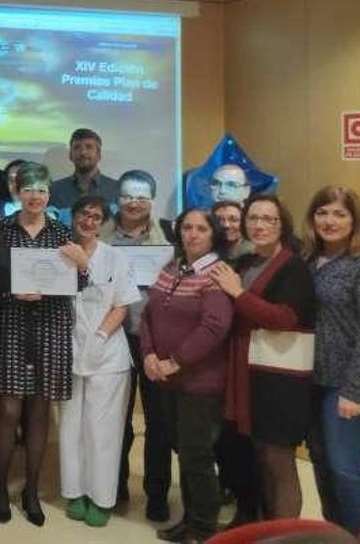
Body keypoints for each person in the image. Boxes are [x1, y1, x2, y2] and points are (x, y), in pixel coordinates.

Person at [207, 194, 315, 522]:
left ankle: (288, 536)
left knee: (278, 460)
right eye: (253, 218)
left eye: (269, 219)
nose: (260, 225)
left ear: (283, 224)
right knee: (260, 457)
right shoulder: (245, 262)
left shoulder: (293, 266)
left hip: (280, 377)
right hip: (249, 375)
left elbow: (284, 318)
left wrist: (237, 292)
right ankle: (267, 529)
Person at [0, 161, 78, 526]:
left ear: (48, 194)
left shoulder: (61, 232)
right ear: (17, 192)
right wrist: (13, 289)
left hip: (51, 325)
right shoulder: (1, 230)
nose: (35, 196)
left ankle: (31, 492)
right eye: (28, 189)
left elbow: (79, 283)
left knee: (40, 411)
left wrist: (80, 269)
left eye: (41, 189)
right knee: (10, 411)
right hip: (11, 323)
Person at [140, 208, 234, 544]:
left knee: (197, 457)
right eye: (187, 228)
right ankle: (189, 522)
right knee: (185, 452)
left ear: (213, 235)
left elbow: (214, 327)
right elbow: (149, 314)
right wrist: (149, 354)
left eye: (201, 229)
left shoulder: (216, 273)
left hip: (200, 383)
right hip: (168, 380)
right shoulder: (172, 267)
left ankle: (205, 530)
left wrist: (176, 361)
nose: (192, 234)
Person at [303, 186, 360, 536]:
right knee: (322, 464)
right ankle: (337, 536)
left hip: (352, 384)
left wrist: (355, 391)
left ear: (354, 220)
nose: (329, 221)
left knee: (345, 467)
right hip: (313, 380)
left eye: (339, 214)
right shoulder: (308, 259)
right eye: (322, 212)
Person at [59, 195, 140, 528]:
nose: (88, 221)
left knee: (101, 431)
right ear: (73, 216)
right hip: (68, 352)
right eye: (83, 214)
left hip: (107, 355)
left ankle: (101, 498)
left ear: (103, 221)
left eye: (95, 216)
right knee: (70, 429)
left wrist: (101, 337)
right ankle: (74, 492)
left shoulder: (116, 258)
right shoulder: (60, 253)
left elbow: (122, 305)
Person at [101, 168, 173, 520]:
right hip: (116, 339)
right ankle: (113, 486)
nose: (134, 203)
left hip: (157, 341)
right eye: (127, 196)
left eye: (141, 197)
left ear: (151, 201)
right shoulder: (101, 237)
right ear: (118, 199)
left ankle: (157, 493)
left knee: (158, 422)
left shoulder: (168, 237)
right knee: (119, 419)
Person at [48, 127, 119, 211]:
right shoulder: (54, 190)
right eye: (77, 147)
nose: (83, 152)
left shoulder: (116, 189)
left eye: (89, 147)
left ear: (99, 155)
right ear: (70, 155)